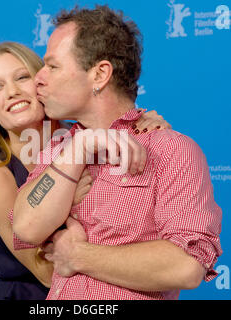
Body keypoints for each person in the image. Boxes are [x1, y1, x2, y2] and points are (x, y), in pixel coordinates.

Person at [12, 5, 222, 300]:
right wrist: (81, 149)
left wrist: (78, 255)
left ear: (100, 74)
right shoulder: (60, 148)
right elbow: (26, 227)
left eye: (53, 66)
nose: (38, 79)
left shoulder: (170, 149)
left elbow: (186, 265)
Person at [0, 41, 169, 300]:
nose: (11, 92)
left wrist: (144, 127)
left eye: (22, 77)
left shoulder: (83, 137)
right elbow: (47, 272)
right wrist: (68, 198)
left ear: (43, 84)